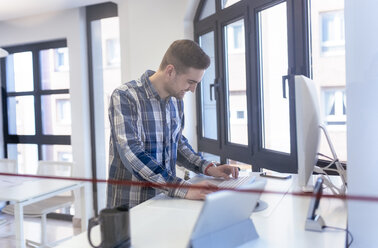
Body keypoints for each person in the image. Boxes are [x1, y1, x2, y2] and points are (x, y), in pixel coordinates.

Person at [107, 39, 239, 209]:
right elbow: (131, 153)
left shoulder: (176, 101)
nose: (192, 89)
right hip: (130, 208)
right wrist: (182, 188)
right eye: (191, 82)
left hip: (165, 201)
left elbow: (177, 143)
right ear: (170, 71)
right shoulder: (125, 96)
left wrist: (208, 167)